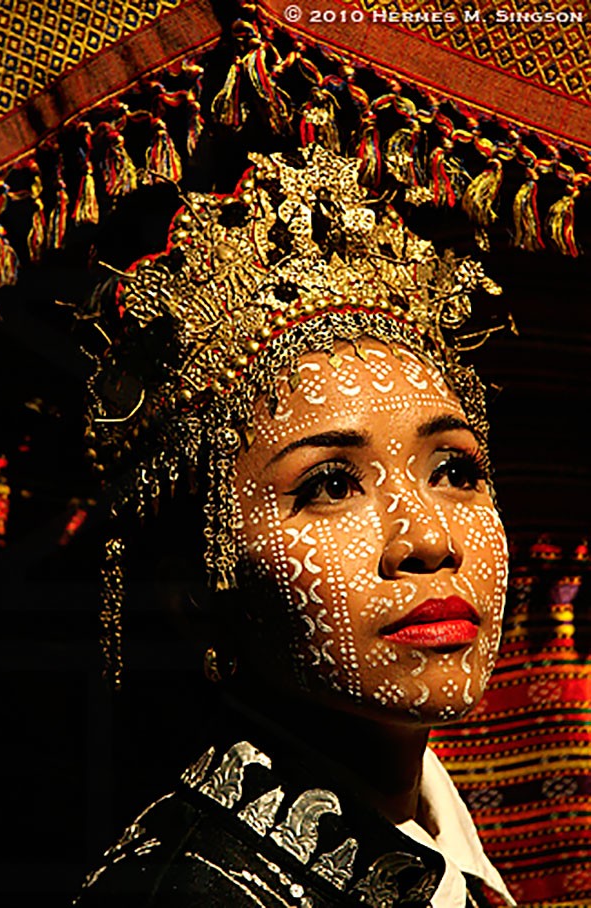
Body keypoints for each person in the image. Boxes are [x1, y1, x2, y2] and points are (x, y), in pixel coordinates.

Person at [73, 145, 515, 907]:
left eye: (453, 471)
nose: (427, 541)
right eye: (331, 486)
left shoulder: (445, 851)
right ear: (194, 589)